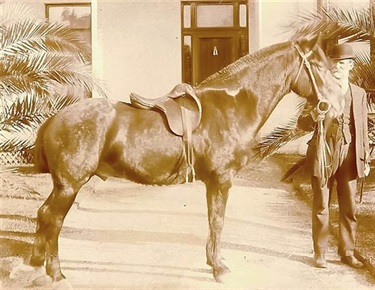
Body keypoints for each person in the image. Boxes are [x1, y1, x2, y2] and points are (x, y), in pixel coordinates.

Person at [297, 43, 371, 269]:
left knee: (349, 207)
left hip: (350, 153)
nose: (336, 68)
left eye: (341, 64)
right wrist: (315, 114)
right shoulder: (319, 91)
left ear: (350, 66)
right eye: (333, 64)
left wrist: (365, 159)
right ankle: (320, 253)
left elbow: (363, 130)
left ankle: (347, 252)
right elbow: (302, 123)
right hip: (324, 153)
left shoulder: (358, 93)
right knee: (321, 204)